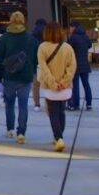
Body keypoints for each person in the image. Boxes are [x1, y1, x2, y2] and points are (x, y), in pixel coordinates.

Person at [0, 11, 38, 144]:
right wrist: (32, 70)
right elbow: (35, 58)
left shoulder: (4, 38)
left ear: (11, 21)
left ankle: (10, 129)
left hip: (9, 76)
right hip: (26, 77)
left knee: (10, 104)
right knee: (23, 105)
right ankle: (21, 132)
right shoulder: (31, 39)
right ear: (23, 21)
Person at [37, 21, 76, 153]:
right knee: (61, 111)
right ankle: (59, 136)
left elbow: (44, 68)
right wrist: (64, 82)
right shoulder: (67, 48)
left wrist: (53, 83)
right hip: (65, 88)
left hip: (50, 87)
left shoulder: (42, 47)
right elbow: (72, 67)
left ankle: (58, 137)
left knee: (53, 113)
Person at [67, 23, 92, 111]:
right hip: (85, 64)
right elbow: (90, 45)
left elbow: (68, 49)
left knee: (75, 85)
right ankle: (89, 104)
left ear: (74, 27)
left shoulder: (73, 37)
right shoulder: (85, 36)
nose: (69, 29)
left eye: (70, 27)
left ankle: (75, 104)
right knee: (86, 84)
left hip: (75, 65)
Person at [31, 18, 47, 111]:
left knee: (35, 85)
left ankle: (37, 104)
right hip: (47, 64)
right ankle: (49, 103)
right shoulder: (48, 35)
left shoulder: (32, 36)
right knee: (48, 85)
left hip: (35, 65)